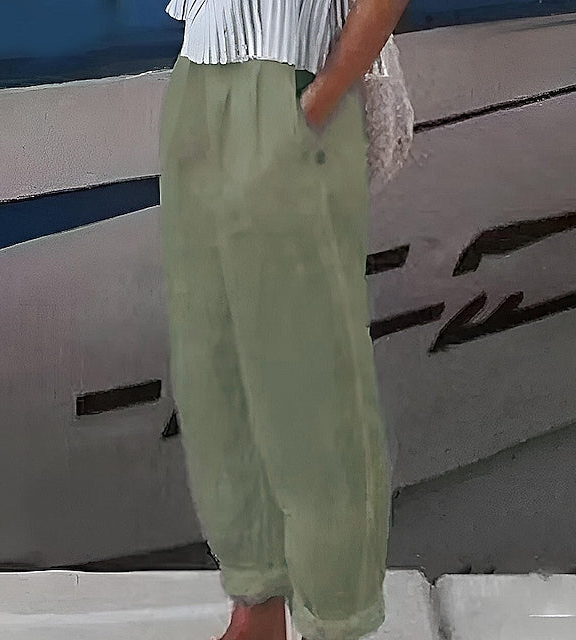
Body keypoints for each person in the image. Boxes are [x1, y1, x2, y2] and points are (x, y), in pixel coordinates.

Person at [158, 1, 410, 639]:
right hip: (200, 72)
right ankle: (257, 602)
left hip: (292, 74)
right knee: (213, 362)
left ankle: (336, 619)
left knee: (310, 377)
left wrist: (322, 97)